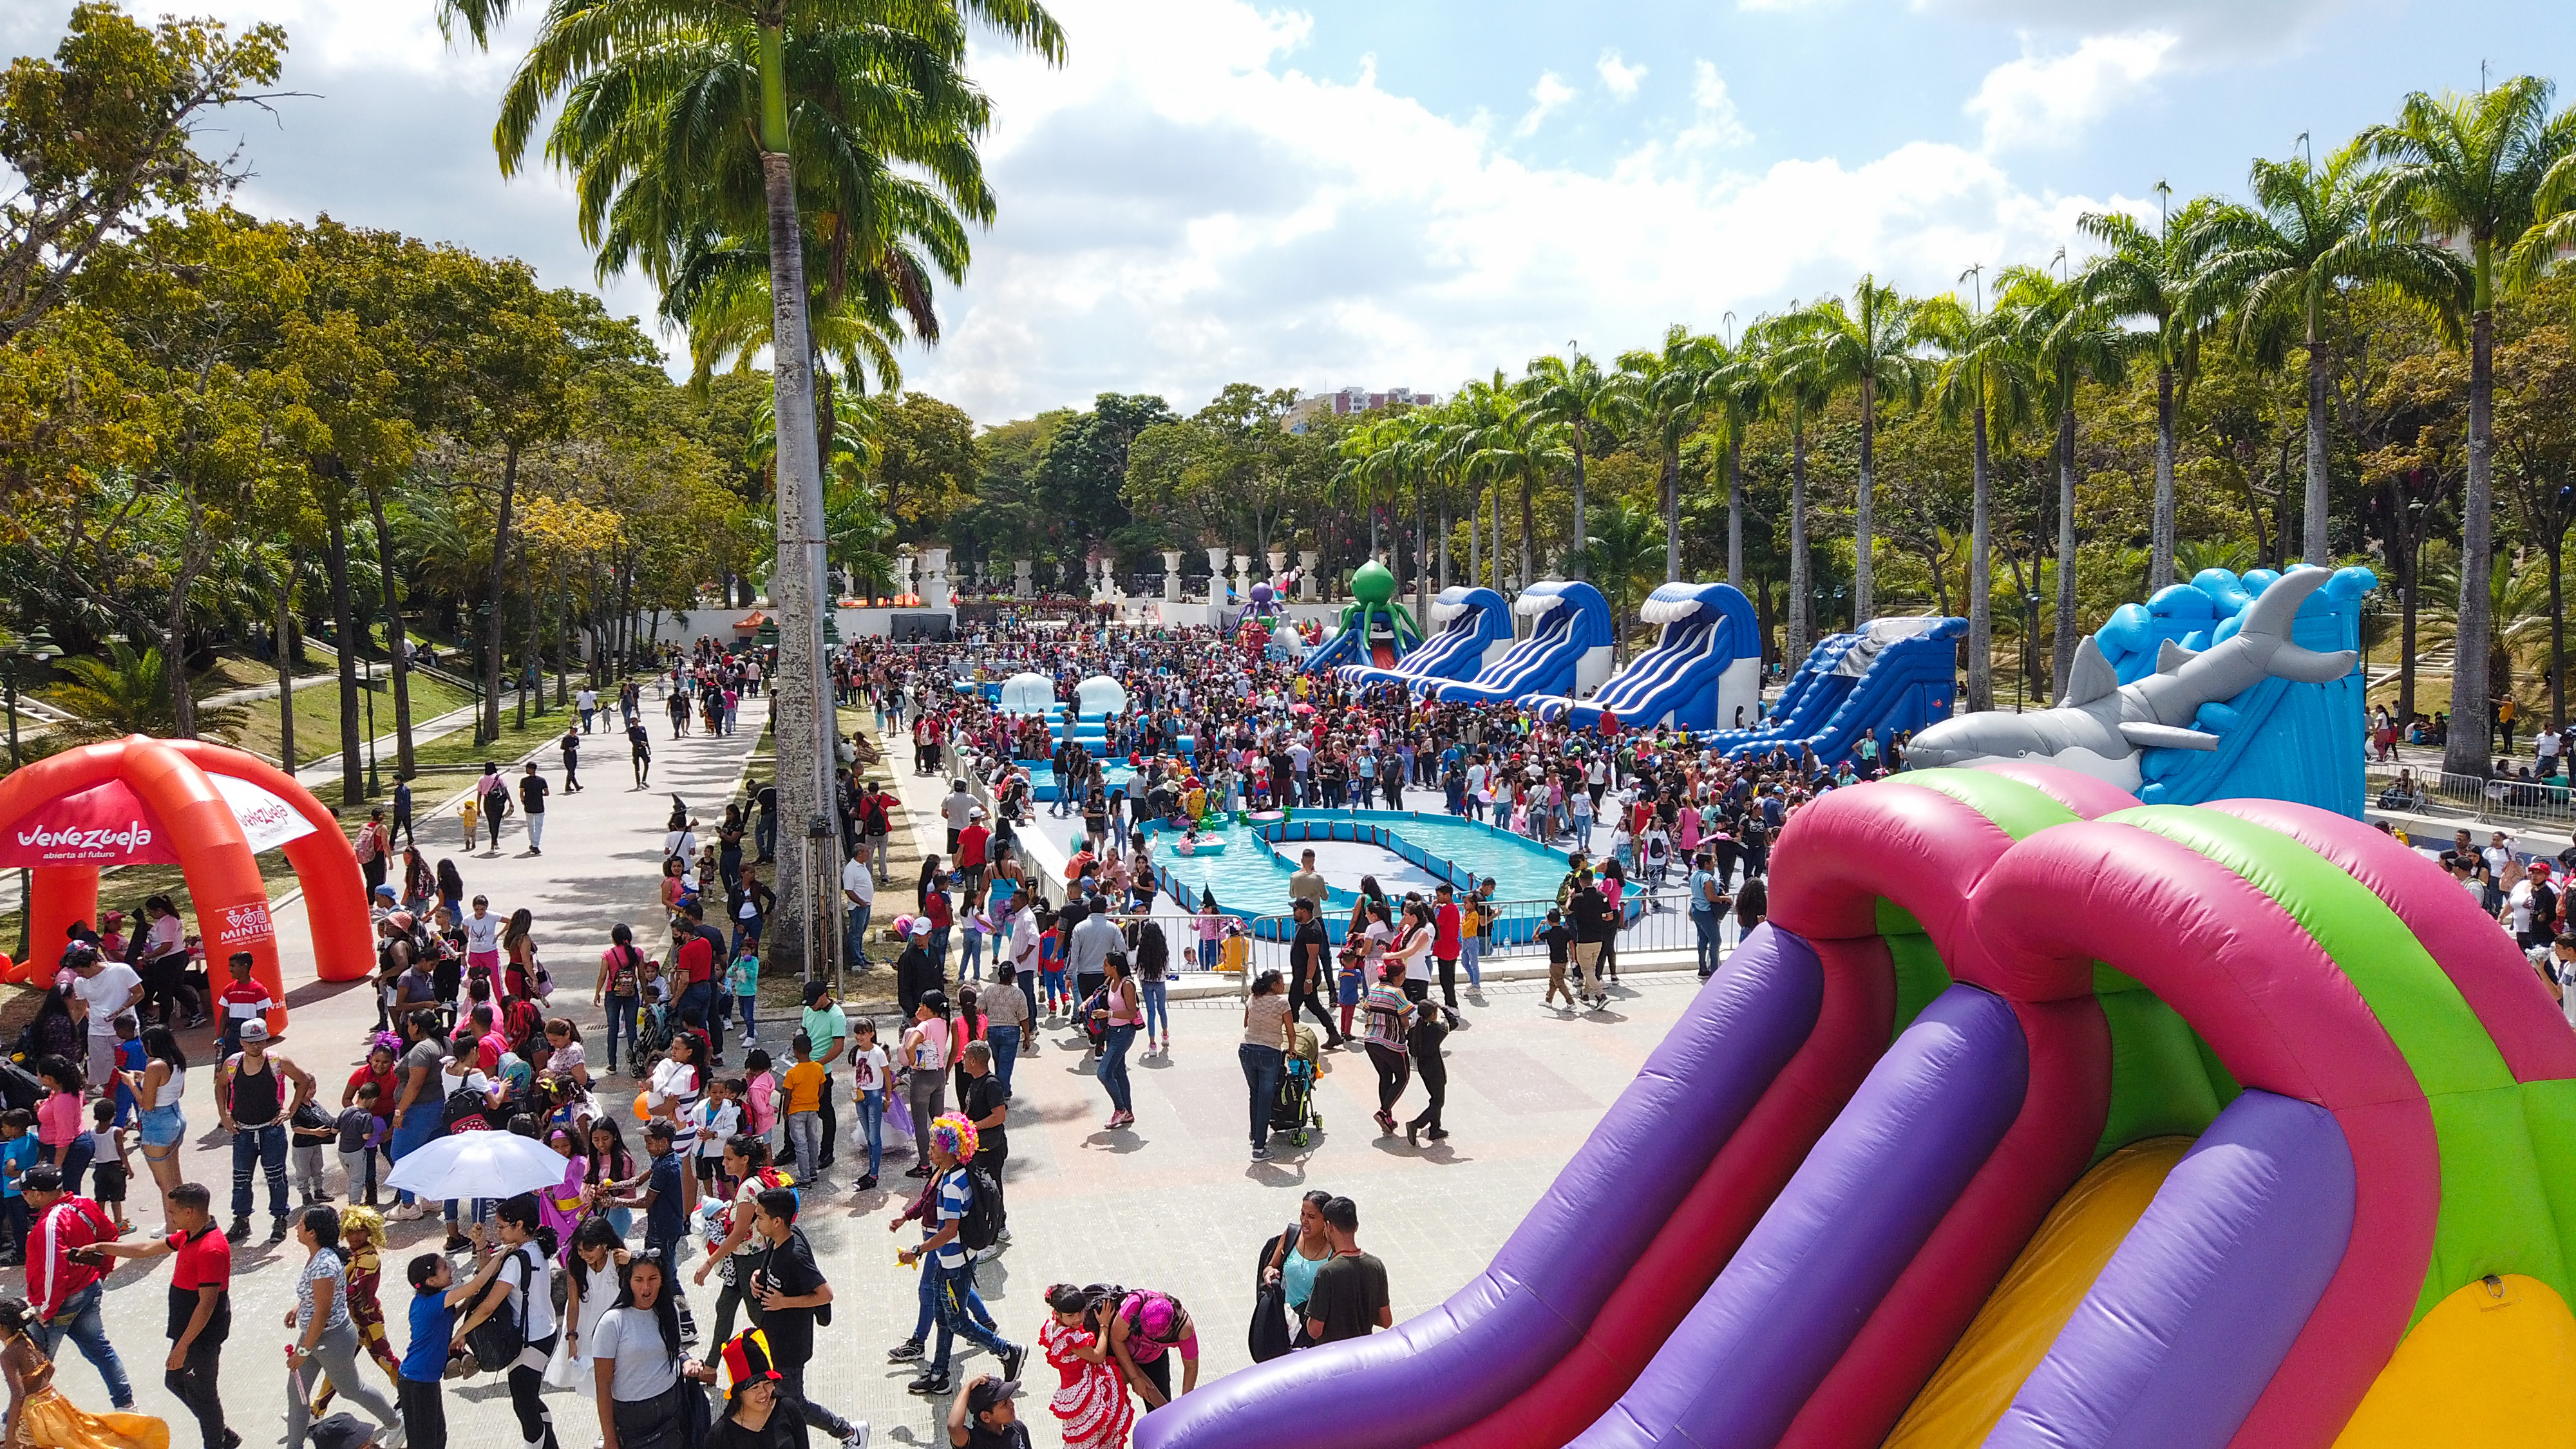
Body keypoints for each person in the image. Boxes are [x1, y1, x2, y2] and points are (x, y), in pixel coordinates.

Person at [895, 1115, 1025, 1397]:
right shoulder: (958, 1174)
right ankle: (939, 1374)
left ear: (951, 1148)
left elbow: (948, 1231)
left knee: (957, 1322)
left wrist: (916, 1250)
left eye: (934, 1145)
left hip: (955, 1265)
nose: (929, 1150)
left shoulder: (951, 1186)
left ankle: (1007, 1351)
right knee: (944, 1318)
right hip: (952, 1261)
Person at [744, 1189, 867, 1443]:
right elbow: (769, 1267)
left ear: (777, 1221)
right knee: (778, 1399)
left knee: (795, 1403)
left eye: (759, 1217)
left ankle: (849, 1432)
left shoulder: (796, 1255)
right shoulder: (777, 1239)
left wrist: (783, 1302)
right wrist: (758, 1276)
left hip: (791, 1345)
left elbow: (826, 1294)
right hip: (772, 1339)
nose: (755, 1222)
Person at [282, 1206, 402, 1449]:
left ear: (313, 1233)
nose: (297, 1228)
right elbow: (318, 1296)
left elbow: (323, 1311)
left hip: (330, 1339)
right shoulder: (319, 1256)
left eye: (301, 1224)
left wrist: (302, 1351)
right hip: (315, 1336)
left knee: (351, 1389)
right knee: (297, 1396)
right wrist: (299, 1307)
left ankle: (395, 1424)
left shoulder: (324, 1264)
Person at [450, 1195, 561, 1449]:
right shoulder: (533, 1248)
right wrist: (480, 1245)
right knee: (529, 1398)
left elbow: (488, 1305)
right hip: (543, 1332)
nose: (498, 1232)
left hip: (529, 1339)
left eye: (501, 1227)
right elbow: (490, 1271)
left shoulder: (516, 1258)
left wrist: (462, 1332)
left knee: (524, 1404)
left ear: (519, 1225)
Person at [19, 1167, 130, 1412]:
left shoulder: (50, 1225)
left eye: (25, 1192)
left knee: (34, 1366)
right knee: (101, 1352)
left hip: (59, 1304)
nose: (23, 1196)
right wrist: (100, 1273)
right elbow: (110, 1236)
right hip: (88, 1290)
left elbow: (53, 1272)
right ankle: (127, 1407)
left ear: (38, 1195)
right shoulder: (84, 1204)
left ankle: (15, 1424)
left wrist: (45, 1311)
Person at [0, 1296, 164, 1449]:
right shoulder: (29, 1340)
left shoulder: (8, 1355)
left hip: (35, 1413)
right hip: (56, 1402)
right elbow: (49, 1368)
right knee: (87, 1439)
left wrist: (10, 1436)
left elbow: (18, 1395)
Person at [589, 1251, 714, 1449]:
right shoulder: (611, 1323)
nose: (646, 1287)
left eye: (653, 1279)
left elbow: (672, 1347)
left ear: (663, 1281)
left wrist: (685, 1360)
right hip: (634, 1418)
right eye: (639, 1280)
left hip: (673, 1407)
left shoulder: (669, 1310)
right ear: (628, 1282)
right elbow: (603, 1386)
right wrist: (610, 1439)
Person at [214, 1020, 316, 1245]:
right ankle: (241, 1220)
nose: (255, 1046)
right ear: (242, 1043)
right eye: (250, 1042)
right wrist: (224, 1115)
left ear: (266, 1040)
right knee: (241, 1179)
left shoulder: (278, 1062)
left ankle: (280, 1219)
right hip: (243, 1132)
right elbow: (220, 1085)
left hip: (271, 1130)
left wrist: (291, 1110)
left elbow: (303, 1080)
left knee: (276, 1177)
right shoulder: (232, 1064)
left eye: (259, 1041)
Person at [1037, 1287, 1131, 1449]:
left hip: (1075, 1390)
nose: (1077, 1319)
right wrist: (1104, 1326)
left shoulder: (1052, 1328)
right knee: (1092, 1437)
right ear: (1058, 1314)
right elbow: (1098, 1356)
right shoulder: (1070, 1338)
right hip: (1083, 1396)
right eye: (1070, 1315)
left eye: (1080, 1312)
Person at [1301, 1196, 1390, 1345]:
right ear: (1356, 1226)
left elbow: (1315, 1330)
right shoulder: (1376, 1265)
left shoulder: (1327, 1272)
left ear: (1329, 1227)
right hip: (1363, 1352)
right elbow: (1386, 1321)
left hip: (1333, 1358)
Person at [705, 1330, 816, 1449]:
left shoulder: (789, 1409)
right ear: (739, 1392)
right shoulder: (720, 1436)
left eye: (768, 1383)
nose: (763, 1392)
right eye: (754, 1387)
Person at [1261, 1191, 1335, 1348]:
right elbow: (1270, 1267)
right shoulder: (1292, 1235)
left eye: (1312, 1217)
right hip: (1281, 1321)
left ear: (1326, 1221)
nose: (1304, 1221)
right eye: (1303, 1214)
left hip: (1310, 1331)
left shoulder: (1334, 1251)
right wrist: (1270, 1273)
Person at [1105, 1290, 1197, 1413]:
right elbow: (1116, 1339)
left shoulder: (1184, 1330)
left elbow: (1191, 1367)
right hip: (1119, 1352)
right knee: (1108, 1406)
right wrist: (1135, 1378)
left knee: (1162, 1412)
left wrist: (1184, 1405)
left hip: (1153, 1359)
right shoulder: (1134, 1305)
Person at [68, 945, 145, 1089]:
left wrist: (121, 1009)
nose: (80, 975)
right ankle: (110, 1100)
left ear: (92, 964)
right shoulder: (80, 982)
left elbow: (139, 993)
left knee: (130, 1068)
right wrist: (69, 1028)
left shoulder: (121, 970)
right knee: (103, 1074)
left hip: (124, 1029)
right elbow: (80, 1008)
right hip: (97, 1030)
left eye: (81, 971)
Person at [1240, 971, 1293, 1162]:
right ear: (1274, 985)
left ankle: (1255, 1135)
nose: (1284, 986)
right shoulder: (1282, 1003)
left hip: (1246, 1050)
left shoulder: (1253, 998)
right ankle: (1260, 1149)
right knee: (1265, 1099)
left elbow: (1246, 1023)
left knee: (1254, 1093)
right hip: (1269, 1053)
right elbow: (1291, 1030)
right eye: (1281, 982)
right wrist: (1292, 1048)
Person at [958, 1043, 1008, 1245]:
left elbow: (999, 1116)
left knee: (989, 1191)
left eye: (964, 1056)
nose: (961, 1060)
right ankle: (1001, 1226)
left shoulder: (991, 1084)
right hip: (980, 1146)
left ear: (973, 1061)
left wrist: (972, 1127)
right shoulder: (976, 1082)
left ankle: (992, 1240)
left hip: (991, 1147)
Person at [1361, 959, 1415, 1137]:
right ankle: (1384, 1112)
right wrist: (1407, 1028)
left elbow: (1367, 1006)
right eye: (1403, 976)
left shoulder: (1375, 987)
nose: (1404, 979)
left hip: (1370, 1040)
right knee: (1403, 1077)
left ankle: (1388, 1119)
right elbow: (1405, 1018)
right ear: (1397, 976)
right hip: (1391, 1042)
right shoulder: (1397, 993)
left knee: (1385, 1076)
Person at [900, 995, 952, 1175]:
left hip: (923, 1078)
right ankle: (943, 1159)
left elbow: (909, 1046)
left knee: (921, 1123)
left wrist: (914, 1062)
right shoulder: (944, 1022)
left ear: (928, 1008)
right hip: (939, 1074)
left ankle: (924, 1165)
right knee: (938, 1121)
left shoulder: (925, 1026)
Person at [1091, 956, 1141, 1131]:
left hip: (1124, 1034)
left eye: (1106, 964)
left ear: (1115, 967)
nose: (1103, 967)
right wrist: (1086, 1003)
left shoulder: (1126, 985)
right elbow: (1099, 992)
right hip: (1112, 1032)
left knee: (1104, 1073)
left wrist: (1108, 1014)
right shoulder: (1111, 980)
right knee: (1119, 1072)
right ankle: (1128, 1111)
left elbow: (1132, 1013)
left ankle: (1120, 1109)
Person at [1284, 902, 1343, 1048]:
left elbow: (1313, 956)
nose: (1294, 912)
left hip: (1305, 977)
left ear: (1304, 911)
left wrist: (1308, 980)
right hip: (1302, 976)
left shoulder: (1312, 930)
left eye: (1296, 909)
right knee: (1313, 1005)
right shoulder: (1305, 926)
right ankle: (1333, 1033)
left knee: (1292, 1007)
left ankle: (1295, 1041)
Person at [1405, 997, 1452, 1146]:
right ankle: (1416, 1124)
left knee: (1434, 1098)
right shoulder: (1436, 1030)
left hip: (1423, 1067)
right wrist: (1445, 1008)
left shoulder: (1416, 1028)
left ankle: (1435, 1129)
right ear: (1432, 1014)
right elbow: (1454, 1023)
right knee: (1438, 1101)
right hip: (1435, 1068)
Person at [947, 1374, 1032, 1449]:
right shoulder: (975, 1442)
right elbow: (954, 1427)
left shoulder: (1018, 1428)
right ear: (986, 1416)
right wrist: (967, 1386)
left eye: (1010, 1398)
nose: (1012, 1404)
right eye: (1004, 1404)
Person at [981, 967, 1027, 1101]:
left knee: (999, 1062)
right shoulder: (1018, 994)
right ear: (1013, 976)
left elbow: (980, 1009)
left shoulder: (989, 990)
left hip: (992, 1030)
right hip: (1011, 1031)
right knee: (1006, 1064)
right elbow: (1024, 1017)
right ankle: (1000, 1094)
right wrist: (1027, 1037)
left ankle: (1002, 1088)